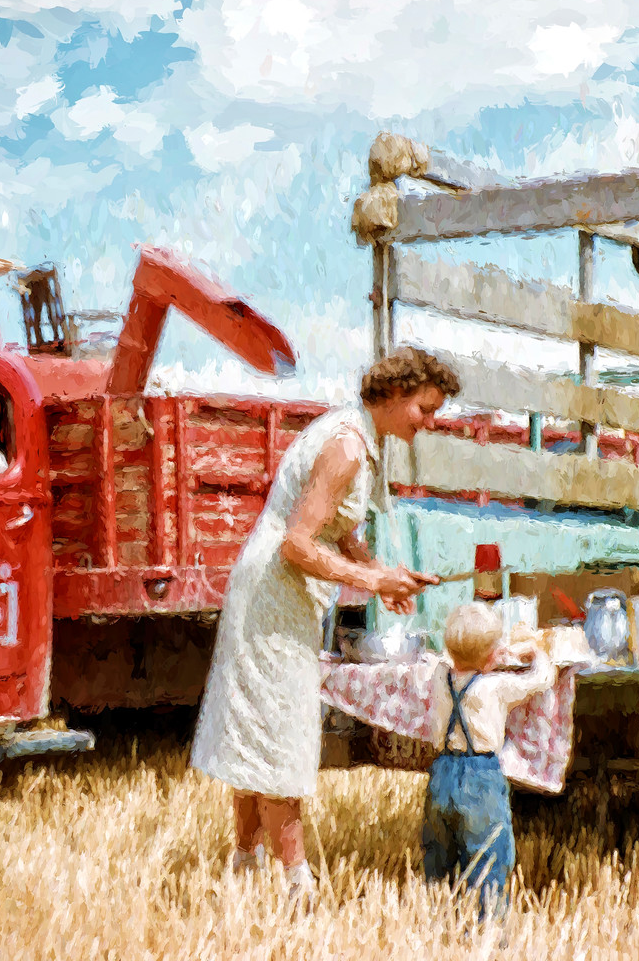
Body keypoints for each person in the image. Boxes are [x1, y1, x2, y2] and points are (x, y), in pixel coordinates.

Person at [190, 346, 460, 895]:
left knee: (259, 732)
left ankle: (243, 869)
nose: (430, 424)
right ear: (394, 396)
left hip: (282, 598)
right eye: (424, 410)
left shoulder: (361, 437)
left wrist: (381, 571)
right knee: (278, 738)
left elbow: (341, 531)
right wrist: (372, 582)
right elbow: (296, 544)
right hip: (272, 598)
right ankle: (297, 887)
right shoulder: (345, 448)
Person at [421, 602, 556, 919]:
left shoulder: (440, 676)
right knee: (488, 855)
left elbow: (444, 661)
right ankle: (487, 927)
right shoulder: (495, 687)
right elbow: (542, 679)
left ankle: (441, 918)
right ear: (487, 658)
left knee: (440, 855)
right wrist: (537, 654)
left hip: (442, 772)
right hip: (480, 776)